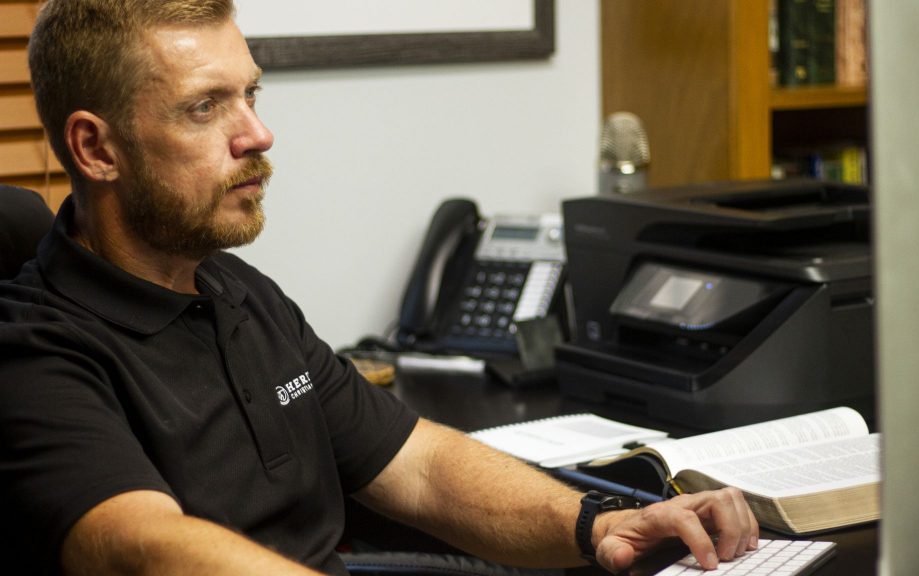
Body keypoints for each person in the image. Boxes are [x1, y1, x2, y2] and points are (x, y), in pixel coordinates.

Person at [0, 1, 758, 575]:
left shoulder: (238, 291)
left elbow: (418, 466)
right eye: (206, 106)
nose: (257, 135)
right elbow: (143, 545)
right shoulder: (35, 353)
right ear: (96, 148)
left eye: (251, 95)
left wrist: (599, 524)